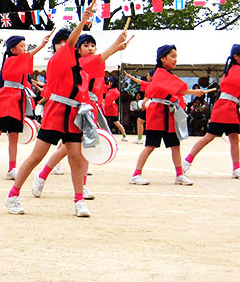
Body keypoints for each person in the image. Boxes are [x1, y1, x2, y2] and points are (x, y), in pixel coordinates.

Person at [5, 0, 123, 217]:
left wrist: (116, 46)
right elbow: (72, 45)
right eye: (62, 42)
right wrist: (83, 21)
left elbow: (98, 58)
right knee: (37, 156)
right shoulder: (58, 60)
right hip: (56, 112)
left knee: (77, 157)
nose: (65, 44)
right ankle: (13, 194)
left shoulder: (82, 66)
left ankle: (79, 201)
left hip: (75, 115)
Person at [30, 32, 131, 200]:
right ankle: (43, 175)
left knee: (84, 148)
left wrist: (117, 46)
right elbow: (100, 57)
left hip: (90, 109)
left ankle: (77, 184)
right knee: (67, 149)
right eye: (86, 45)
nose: (90, 49)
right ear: (77, 49)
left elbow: (100, 59)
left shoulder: (93, 64)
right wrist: (116, 44)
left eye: (93, 45)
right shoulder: (82, 63)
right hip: (77, 109)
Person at [0, 33, 51, 181]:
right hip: (7, 98)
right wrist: (42, 45)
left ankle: (12, 168)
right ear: (13, 50)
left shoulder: (19, 60)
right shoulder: (11, 60)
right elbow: (29, 56)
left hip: (18, 98)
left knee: (14, 135)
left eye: (24, 45)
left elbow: (27, 65)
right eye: (21, 45)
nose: (25, 47)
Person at [129, 45, 206, 186]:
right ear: (162, 58)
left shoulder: (165, 74)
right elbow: (178, 89)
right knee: (150, 145)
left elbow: (176, 90)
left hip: (167, 113)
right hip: (157, 113)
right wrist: (193, 92)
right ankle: (136, 174)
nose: (175, 59)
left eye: (176, 56)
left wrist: (191, 92)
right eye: (172, 56)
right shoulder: (160, 73)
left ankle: (179, 175)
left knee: (175, 145)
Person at [183, 44, 240, 179]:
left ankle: (236, 168)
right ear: (236, 56)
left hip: (229, 106)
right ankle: (187, 160)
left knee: (234, 138)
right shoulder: (236, 69)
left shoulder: (232, 69)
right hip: (224, 107)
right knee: (210, 136)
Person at [103, 77, 127, 141]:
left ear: (112, 83)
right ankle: (123, 134)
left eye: (109, 82)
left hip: (111, 108)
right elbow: (104, 87)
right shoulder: (111, 89)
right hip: (109, 108)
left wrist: (103, 102)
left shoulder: (114, 91)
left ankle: (124, 134)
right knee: (112, 122)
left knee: (116, 122)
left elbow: (108, 100)